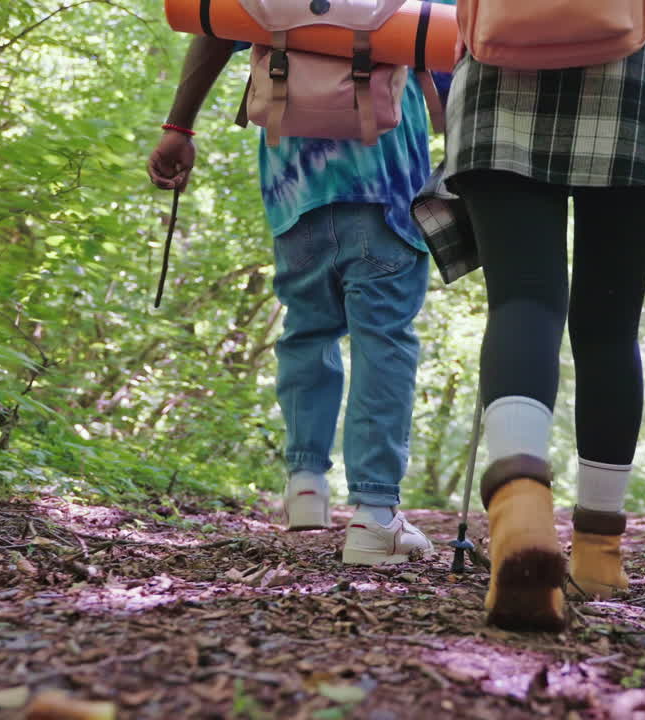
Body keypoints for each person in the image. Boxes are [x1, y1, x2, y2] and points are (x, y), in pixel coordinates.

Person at [147, 33, 451, 565]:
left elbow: (214, 30)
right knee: (383, 340)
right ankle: (374, 516)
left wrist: (178, 129)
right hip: (387, 179)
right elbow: (453, 69)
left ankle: (306, 482)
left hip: (295, 182)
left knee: (307, 329)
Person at [439, 18, 645, 629]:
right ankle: (599, 557)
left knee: (521, 303)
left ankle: (520, 520)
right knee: (609, 329)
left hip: (496, 83)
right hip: (635, 86)